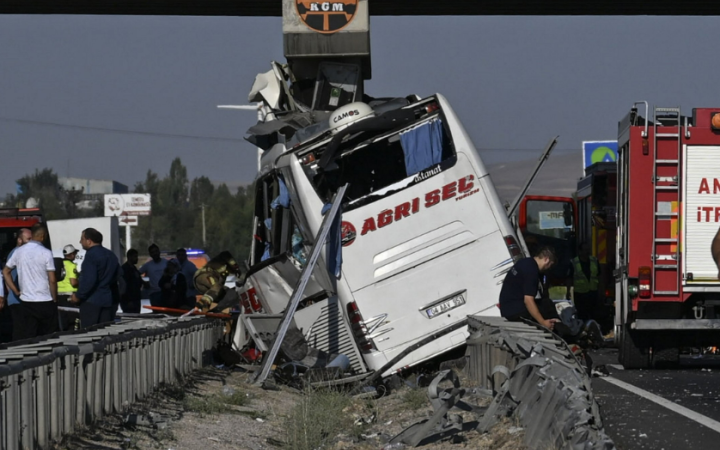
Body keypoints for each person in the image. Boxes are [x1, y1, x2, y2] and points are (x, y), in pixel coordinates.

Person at [2, 223, 58, 340]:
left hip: (26, 301)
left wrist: (16, 291)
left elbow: (6, 271)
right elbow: (52, 280)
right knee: (49, 336)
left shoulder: (19, 251)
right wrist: (54, 298)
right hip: (45, 300)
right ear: (43, 236)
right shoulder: (46, 252)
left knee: (27, 336)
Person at [70, 228, 121, 328]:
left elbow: (89, 280)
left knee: (89, 334)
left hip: (91, 302)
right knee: (105, 333)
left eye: (82, 239)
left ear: (89, 241)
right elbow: (119, 275)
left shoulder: (91, 256)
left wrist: (78, 296)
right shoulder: (111, 255)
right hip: (108, 301)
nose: (80, 242)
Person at [0, 228, 31, 341]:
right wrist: (16, 292)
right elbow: (6, 274)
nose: (31, 242)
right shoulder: (16, 254)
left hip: (22, 298)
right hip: (18, 299)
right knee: (21, 330)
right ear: (19, 240)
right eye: (28, 239)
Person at [566, 242, 600, 321]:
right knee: (582, 315)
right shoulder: (574, 262)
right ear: (580, 251)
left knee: (593, 314)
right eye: (585, 250)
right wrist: (568, 291)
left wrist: (601, 290)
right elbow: (569, 278)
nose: (587, 252)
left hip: (593, 292)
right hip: (580, 294)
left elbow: (599, 276)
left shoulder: (594, 261)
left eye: (588, 250)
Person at [57, 244, 80, 331]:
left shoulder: (59, 264)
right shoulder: (71, 265)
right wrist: (80, 281)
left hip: (59, 295)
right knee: (72, 322)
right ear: (71, 254)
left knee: (62, 322)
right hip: (70, 297)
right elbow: (73, 282)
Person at [121, 249, 142, 314]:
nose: (137, 258)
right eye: (135, 256)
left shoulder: (134, 269)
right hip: (129, 300)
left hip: (136, 299)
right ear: (129, 257)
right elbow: (124, 286)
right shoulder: (124, 269)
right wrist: (128, 300)